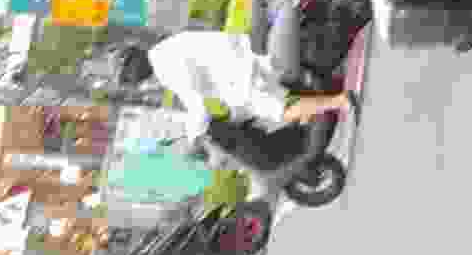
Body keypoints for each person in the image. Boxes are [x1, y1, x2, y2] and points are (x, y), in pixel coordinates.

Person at [108, 26, 349, 183]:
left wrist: (194, 140)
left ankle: (338, 101)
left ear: (134, 63)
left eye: (128, 76)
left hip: (239, 76)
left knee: (282, 110)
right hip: (239, 66)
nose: (133, 82)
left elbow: (196, 103)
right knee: (258, 114)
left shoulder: (165, 66)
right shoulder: (164, 51)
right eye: (128, 80)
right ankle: (319, 109)